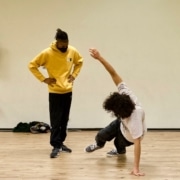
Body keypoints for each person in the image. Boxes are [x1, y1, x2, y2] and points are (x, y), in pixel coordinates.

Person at [85, 48, 146, 176]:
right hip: (121, 124)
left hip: (129, 136)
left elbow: (137, 144)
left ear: (121, 112)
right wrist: (99, 58)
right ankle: (99, 144)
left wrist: (136, 168)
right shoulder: (125, 93)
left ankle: (120, 150)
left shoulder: (135, 118)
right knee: (101, 135)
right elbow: (113, 73)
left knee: (118, 143)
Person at [28, 28, 83, 158]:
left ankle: (61, 143)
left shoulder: (72, 51)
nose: (64, 46)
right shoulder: (47, 53)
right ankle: (55, 145)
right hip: (55, 91)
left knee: (64, 119)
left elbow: (80, 62)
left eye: (66, 43)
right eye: (62, 43)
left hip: (68, 91)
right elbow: (32, 65)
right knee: (56, 120)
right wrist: (43, 79)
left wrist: (74, 75)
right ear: (57, 42)